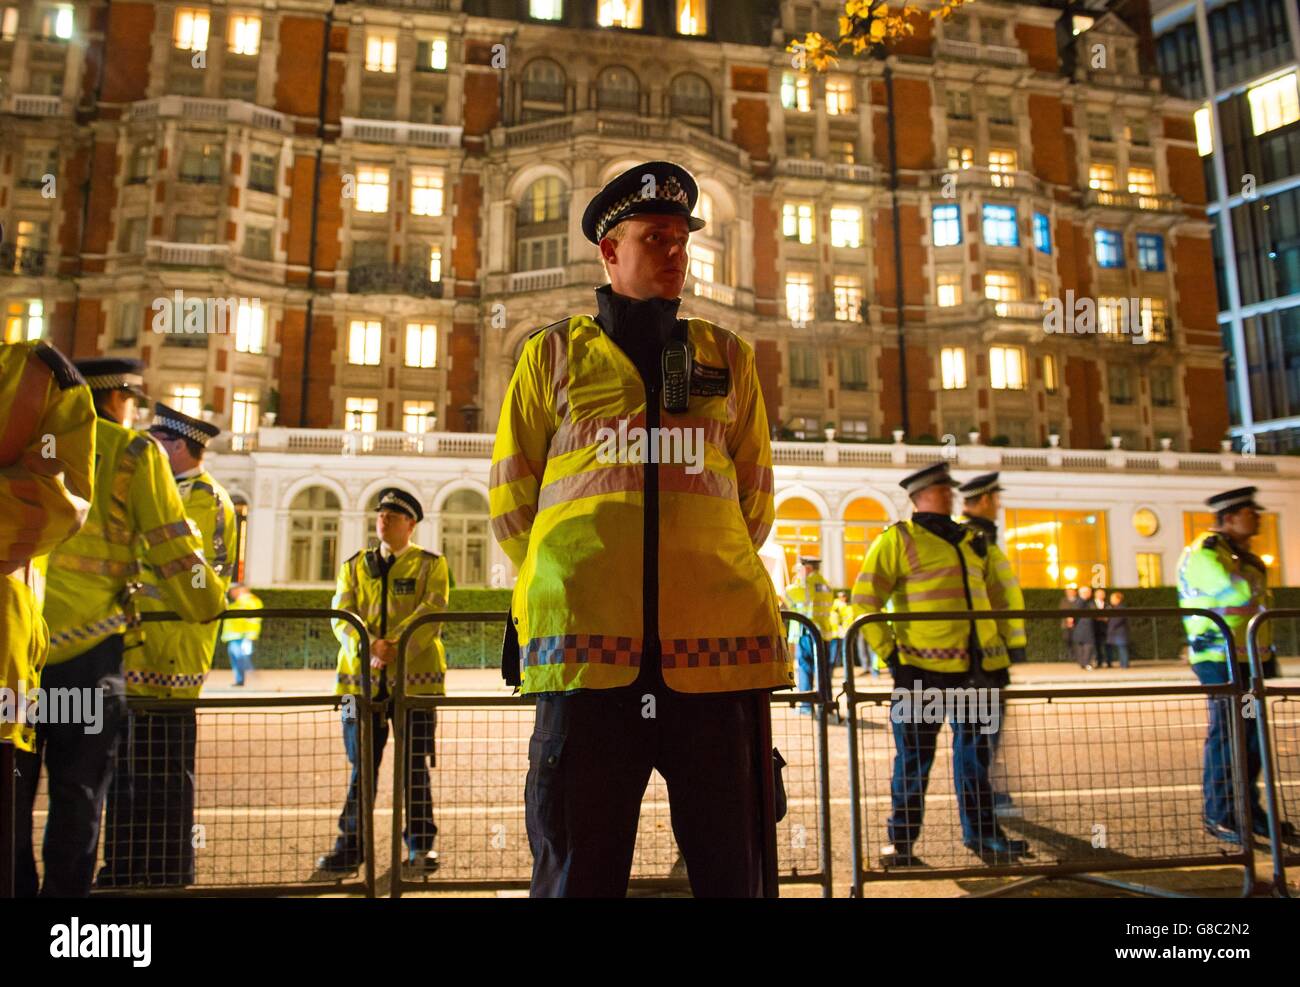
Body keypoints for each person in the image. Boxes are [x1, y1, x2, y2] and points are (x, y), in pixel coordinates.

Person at [490, 160, 791, 897]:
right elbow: (511, 501)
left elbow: (754, 499)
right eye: (655, 237)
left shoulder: (728, 355)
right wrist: (572, 579)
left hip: (716, 657)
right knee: (578, 876)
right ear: (609, 250)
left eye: (682, 239)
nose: (675, 252)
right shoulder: (550, 354)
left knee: (733, 873)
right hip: (588, 657)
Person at [15, 359, 225, 898]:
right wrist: (207, 601)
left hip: (15, 654)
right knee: (78, 795)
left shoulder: (22, 441)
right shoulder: (132, 452)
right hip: (86, 656)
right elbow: (175, 549)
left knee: (11, 796)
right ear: (116, 400)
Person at [851, 460, 1028, 866]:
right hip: (920, 673)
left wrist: (1001, 651)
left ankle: (984, 836)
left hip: (974, 673)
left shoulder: (971, 540)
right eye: (942, 489)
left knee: (975, 761)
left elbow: (999, 596)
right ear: (920, 496)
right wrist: (892, 657)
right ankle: (900, 843)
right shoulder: (898, 540)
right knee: (913, 762)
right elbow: (864, 602)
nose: (950, 494)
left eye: (950, 488)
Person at [99, 403, 236, 887]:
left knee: (164, 773)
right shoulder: (166, 490)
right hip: (138, 651)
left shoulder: (203, 498)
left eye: (154, 443)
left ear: (177, 447)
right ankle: (122, 868)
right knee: (124, 772)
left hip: (172, 654)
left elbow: (176, 562)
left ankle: (167, 870)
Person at [0, 339, 96, 896]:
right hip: (81, 655)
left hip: (18, 665)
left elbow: (51, 507)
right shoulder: (40, 374)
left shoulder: (36, 374)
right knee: (76, 791)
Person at [318, 488, 449, 875]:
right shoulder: (354, 565)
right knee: (360, 768)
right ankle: (350, 846)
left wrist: (394, 646)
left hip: (414, 686)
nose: (383, 520)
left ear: (411, 524)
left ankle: (421, 847)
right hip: (358, 688)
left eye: (392, 515)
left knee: (414, 768)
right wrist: (370, 645)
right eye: (380, 514)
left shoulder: (430, 564)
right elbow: (342, 613)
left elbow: (432, 611)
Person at [1177, 486, 1298, 847]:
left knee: (1250, 739)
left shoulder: (1237, 554)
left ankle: (1249, 813)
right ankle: (1220, 814)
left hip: (1247, 661)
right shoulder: (1206, 552)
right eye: (1249, 513)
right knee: (1229, 735)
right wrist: (1248, 570)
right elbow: (1237, 592)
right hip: (1219, 659)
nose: (1257, 517)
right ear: (1229, 518)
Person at [958, 471, 1025, 811]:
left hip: (992, 651)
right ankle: (982, 802)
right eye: (996, 498)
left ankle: (986, 795)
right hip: (981, 654)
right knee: (981, 732)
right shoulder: (973, 538)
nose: (999, 505)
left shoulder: (983, 537)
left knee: (986, 730)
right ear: (984, 500)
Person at [785, 556, 833, 712]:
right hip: (823, 633)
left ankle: (806, 706)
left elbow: (786, 594)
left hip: (806, 632)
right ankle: (826, 704)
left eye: (800, 569)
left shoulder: (805, 585)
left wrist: (795, 581)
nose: (798, 573)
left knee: (805, 668)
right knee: (823, 670)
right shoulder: (826, 585)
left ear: (807, 568)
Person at [222, 583, 264, 686]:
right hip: (235, 636)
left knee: (240, 658)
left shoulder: (248, 601)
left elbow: (253, 619)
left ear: (240, 590)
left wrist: (249, 636)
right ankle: (242, 679)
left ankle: (249, 676)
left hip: (241, 636)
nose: (231, 593)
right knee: (238, 658)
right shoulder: (240, 602)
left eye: (233, 590)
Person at [1071, 586, 1097, 669]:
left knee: (1083, 646)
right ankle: (1085, 663)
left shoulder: (1084, 601)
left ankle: (1083, 663)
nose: (1091, 593)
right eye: (1089, 592)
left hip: (1082, 628)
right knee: (1087, 646)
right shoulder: (1081, 602)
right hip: (1084, 628)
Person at [830, 589, 855, 671]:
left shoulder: (847, 606)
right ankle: (836, 665)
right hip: (836, 632)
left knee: (843, 649)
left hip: (844, 631)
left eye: (844, 596)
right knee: (835, 650)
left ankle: (841, 664)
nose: (842, 598)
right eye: (841, 596)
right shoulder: (836, 605)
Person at [1106, 591, 1129, 669]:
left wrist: (1109, 624)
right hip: (1115, 632)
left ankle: (1124, 665)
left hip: (1119, 632)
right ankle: (1121, 664)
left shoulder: (1121, 608)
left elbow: (1117, 620)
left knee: (1122, 648)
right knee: (1119, 648)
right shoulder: (1113, 607)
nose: (1111, 600)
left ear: (1118, 599)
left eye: (1113, 598)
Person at [1092, 590, 1112, 668]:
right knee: (1097, 646)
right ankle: (1099, 662)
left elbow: (1109, 616)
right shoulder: (1091, 604)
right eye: (1099, 594)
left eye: (1102, 594)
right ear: (1095, 595)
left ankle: (1108, 662)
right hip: (1095, 629)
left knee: (1108, 646)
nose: (1101, 596)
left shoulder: (1107, 604)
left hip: (1106, 629)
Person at [1059, 585, 1079, 662]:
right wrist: (1067, 619)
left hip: (1076, 624)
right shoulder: (1063, 601)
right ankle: (1071, 655)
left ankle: (1077, 656)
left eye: (1071, 592)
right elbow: (1061, 611)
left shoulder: (1078, 601)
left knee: (1076, 640)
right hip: (1065, 624)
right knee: (1067, 639)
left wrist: (1073, 619)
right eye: (1068, 592)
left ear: (1075, 592)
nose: (1070, 593)